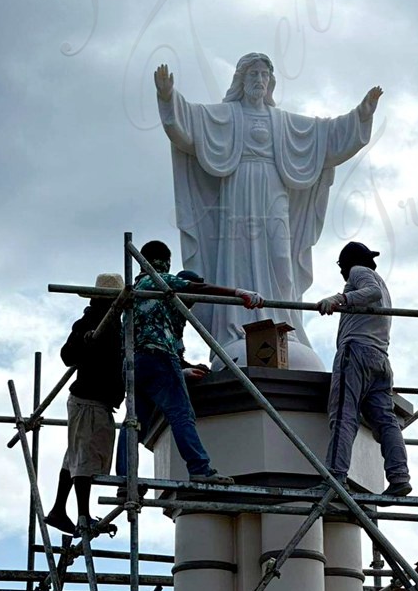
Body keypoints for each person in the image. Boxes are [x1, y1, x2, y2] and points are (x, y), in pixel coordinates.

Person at [155, 54, 382, 365]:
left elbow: (325, 136)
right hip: (238, 190)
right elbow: (190, 125)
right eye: (253, 74)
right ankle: (238, 329)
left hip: (274, 191)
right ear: (241, 80)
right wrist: (168, 98)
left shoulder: (283, 121)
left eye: (264, 75)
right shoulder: (226, 115)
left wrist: (360, 116)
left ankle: (282, 327)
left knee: (280, 260)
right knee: (238, 257)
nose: (259, 80)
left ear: (270, 82)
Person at [131, 239, 263, 483]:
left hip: (137, 362)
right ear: (164, 262)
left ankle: (126, 476)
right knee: (181, 414)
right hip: (159, 357)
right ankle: (199, 468)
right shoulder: (160, 281)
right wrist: (237, 293)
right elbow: (198, 289)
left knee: (133, 423)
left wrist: (185, 368)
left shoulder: (135, 291)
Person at [317, 242, 412, 497]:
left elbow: (370, 293)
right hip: (380, 359)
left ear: (347, 264)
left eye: (341, 268)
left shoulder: (360, 272)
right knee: (385, 421)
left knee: (343, 414)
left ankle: (336, 477)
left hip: (356, 352)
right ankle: (399, 475)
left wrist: (340, 299)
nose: (342, 274)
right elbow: (374, 294)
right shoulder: (383, 283)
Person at [45, 273, 125, 536]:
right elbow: (67, 355)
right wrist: (86, 339)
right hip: (89, 399)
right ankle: (82, 516)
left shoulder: (115, 323)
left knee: (77, 455)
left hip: (94, 400)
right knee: (86, 457)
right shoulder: (91, 320)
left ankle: (60, 509)